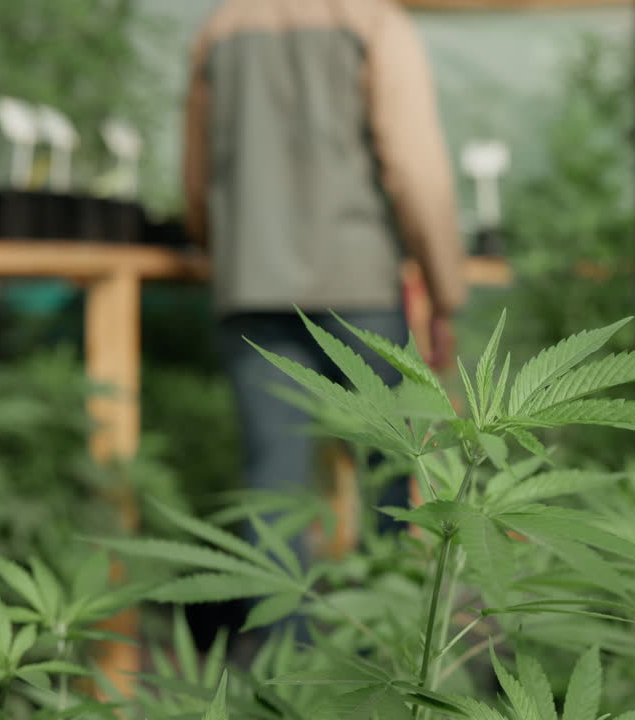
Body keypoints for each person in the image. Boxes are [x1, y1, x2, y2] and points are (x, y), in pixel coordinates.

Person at [182, 0, 466, 573]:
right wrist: (444, 287)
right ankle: (383, 651)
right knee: (388, 476)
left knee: (272, 488)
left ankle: (279, 652)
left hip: (251, 283)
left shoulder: (220, 28)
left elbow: (197, 172)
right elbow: (413, 167)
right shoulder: (375, 22)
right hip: (358, 282)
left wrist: (222, 246)